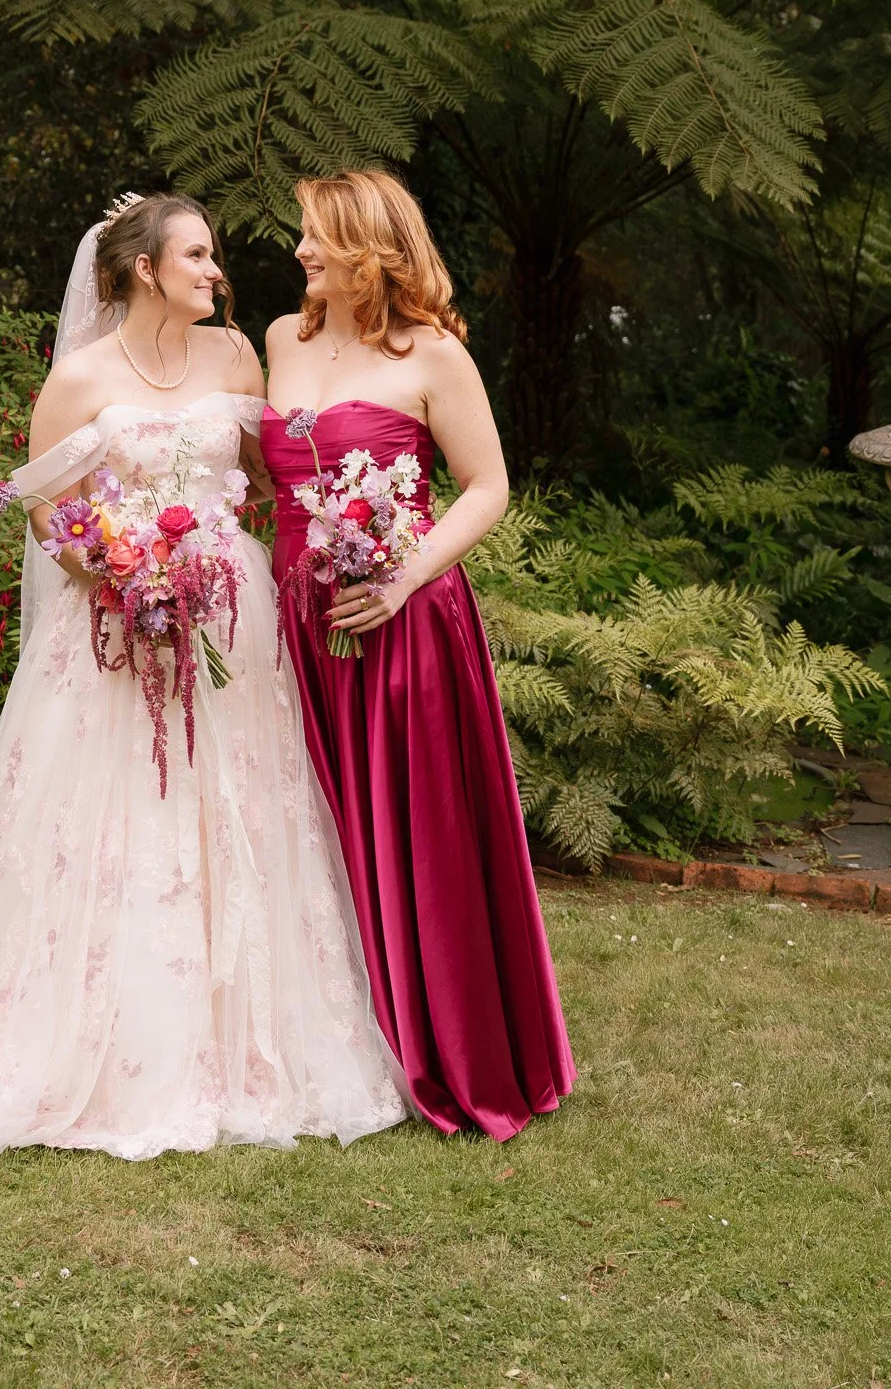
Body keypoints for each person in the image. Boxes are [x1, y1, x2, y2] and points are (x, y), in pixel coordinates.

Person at [0, 192, 406, 1160]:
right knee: (113, 814)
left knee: (241, 804)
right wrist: (121, 575)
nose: (218, 270)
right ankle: (96, 1035)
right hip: (114, 634)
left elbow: (274, 470)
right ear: (144, 268)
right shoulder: (78, 378)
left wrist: (356, 531)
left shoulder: (237, 355)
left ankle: (249, 1038)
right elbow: (48, 513)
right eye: (199, 253)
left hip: (231, 621)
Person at [260, 169, 575, 1141]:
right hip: (294, 626)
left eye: (316, 237)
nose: (300, 252)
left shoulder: (432, 354)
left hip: (405, 629)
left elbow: (486, 485)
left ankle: (446, 1050)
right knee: (310, 832)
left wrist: (399, 580)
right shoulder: (280, 338)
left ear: (368, 251)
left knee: (419, 843)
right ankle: (325, 1044)